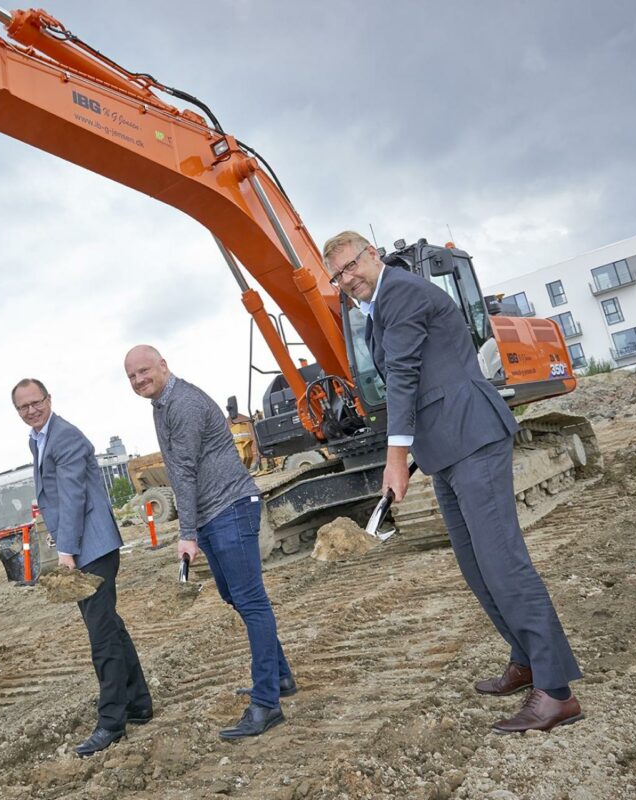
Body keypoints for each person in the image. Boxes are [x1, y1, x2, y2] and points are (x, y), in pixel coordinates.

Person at [323, 230, 583, 733]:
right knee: (475, 564)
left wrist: (395, 458)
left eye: (350, 266)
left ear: (371, 255)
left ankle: (555, 692)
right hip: (446, 449)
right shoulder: (375, 310)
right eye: (336, 275)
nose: (346, 279)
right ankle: (526, 658)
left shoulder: (401, 292)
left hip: (473, 438)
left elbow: (401, 375)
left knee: (504, 564)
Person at [123, 346, 295, 740]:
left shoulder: (181, 403)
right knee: (236, 597)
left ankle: (267, 704)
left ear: (163, 365)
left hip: (230, 507)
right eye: (132, 376)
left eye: (144, 371)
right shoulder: (161, 404)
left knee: (251, 601)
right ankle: (280, 678)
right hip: (214, 514)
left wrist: (186, 534)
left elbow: (182, 471)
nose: (139, 380)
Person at [11, 378, 152, 756]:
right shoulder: (38, 438)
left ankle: (111, 723)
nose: (31, 411)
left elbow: (73, 498)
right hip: (84, 547)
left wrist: (66, 552)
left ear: (49, 399)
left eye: (36, 403)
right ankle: (139, 703)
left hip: (92, 549)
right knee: (111, 628)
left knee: (101, 637)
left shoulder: (66, 437)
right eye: (23, 407)